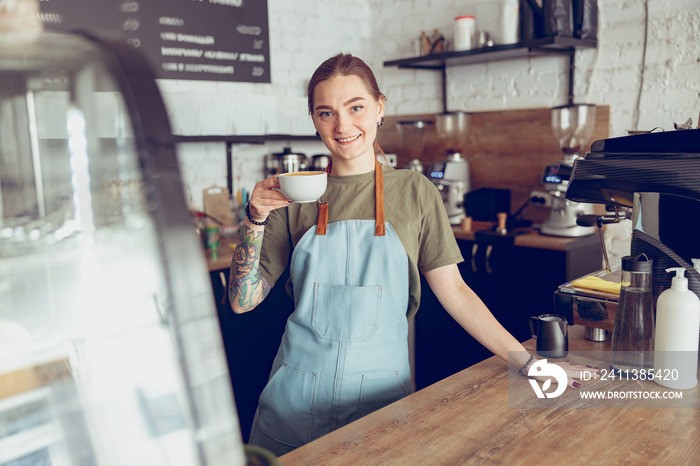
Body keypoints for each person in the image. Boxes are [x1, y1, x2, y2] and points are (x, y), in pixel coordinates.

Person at [229, 53, 587, 456]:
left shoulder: (414, 191)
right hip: (293, 404)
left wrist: (531, 363)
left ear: (380, 107)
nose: (343, 126)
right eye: (326, 112)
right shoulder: (293, 196)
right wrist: (254, 218)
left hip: (382, 403)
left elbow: (455, 291)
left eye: (356, 108)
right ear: (313, 118)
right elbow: (244, 302)